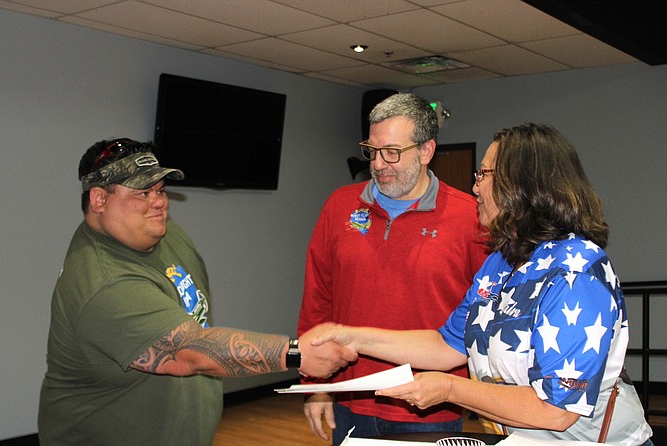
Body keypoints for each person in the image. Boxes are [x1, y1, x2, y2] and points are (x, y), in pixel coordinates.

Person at [312, 123, 654, 445]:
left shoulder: (575, 271)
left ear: (522, 184)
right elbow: (447, 346)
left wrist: (448, 389)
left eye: (484, 175)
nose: (475, 186)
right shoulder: (501, 260)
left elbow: (556, 410)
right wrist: (350, 336)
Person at [38, 138, 356, 446]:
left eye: (160, 190)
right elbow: (187, 351)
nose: (159, 202)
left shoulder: (167, 235)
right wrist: (295, 354)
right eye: (143, 192)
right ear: (99, 200)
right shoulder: (104, 282)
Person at [297, 93, 489, 444]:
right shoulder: (339, 206)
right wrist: (315, 386)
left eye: (392, 152)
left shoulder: (470, 218)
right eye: (372, 150)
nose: (379, 163)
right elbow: (317, 299)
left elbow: (485, 315)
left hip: (431, 407)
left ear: (426, 151)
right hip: (350, 398)